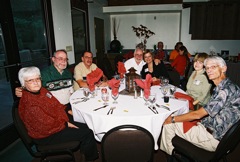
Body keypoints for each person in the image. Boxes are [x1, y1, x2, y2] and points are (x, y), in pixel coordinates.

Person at [160, 56, 240, 156]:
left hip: (213, 138)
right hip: (221, 133)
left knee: (168, 123)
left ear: (223, 68)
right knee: (179, 114)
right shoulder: (229, 85)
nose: (209, 70)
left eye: (213, 67)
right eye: (207, 68)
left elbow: (198, 115)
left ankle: (171, 154)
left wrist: (171, 119)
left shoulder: (223, 91)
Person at [18, 66, 99, 161]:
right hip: (46, 135)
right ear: (23, 84)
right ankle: (90, 159)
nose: (36, 82)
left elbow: (55, 104)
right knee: (87, 133)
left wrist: (66, 110)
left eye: (37, 79)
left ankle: (85, 152)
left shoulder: (42, 91)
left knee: (86, 125)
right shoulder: (29, 103)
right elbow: (46, 124)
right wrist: (66, 124)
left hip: (57, 122)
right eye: (30, 80)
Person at [16, 49, 74, 116]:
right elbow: (33, 86)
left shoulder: (68, 73)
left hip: (69, 105)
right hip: (53, 109)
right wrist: (22, 89)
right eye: (60, 58)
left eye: (65, 59)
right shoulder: (44, 74)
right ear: (53, 59)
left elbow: (71, 90)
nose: (64, 61)